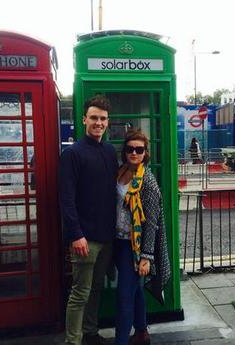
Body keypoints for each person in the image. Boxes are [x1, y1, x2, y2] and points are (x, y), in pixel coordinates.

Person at [59, 95, 118, 345]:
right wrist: (76, 235)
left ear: (108, 122)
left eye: (103, 118)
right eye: (94, 117)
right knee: (79, 293)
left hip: (107, 235)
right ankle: (72, 341)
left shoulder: (109, 150)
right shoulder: (72, 154)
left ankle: (91, 333)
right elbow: (66, 198)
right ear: (84, 120)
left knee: (96, 289)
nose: (98, 122)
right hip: (85, 238)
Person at [114, 130, 171, 345]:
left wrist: (146, 256)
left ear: (145, 153)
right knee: (135, 288)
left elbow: (152, 223)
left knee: (124, 296)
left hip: (135, 247)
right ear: (125, 151)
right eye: (130, 149)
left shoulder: (147, 181)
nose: (134, 153)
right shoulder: (121, 172)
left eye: (139, 149)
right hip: (117, 241)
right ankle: (141, 331)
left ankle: (120, 341)